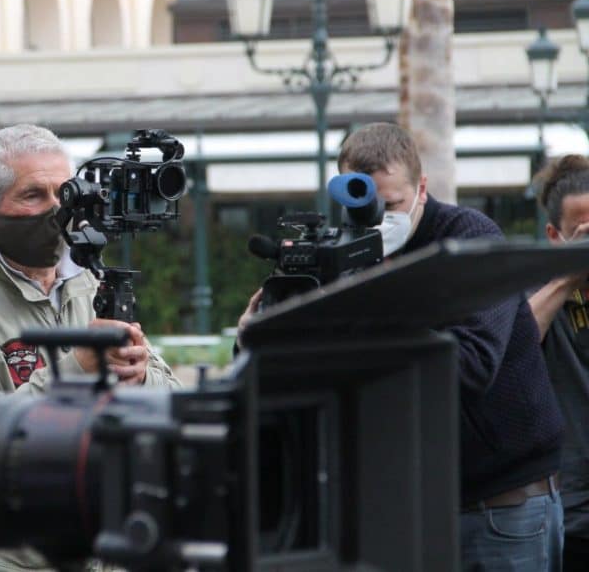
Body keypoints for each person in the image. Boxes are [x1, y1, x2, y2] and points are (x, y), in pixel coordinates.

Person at [240, 122, 564, 571]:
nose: (380, 220)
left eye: (391, 204)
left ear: (422, 189)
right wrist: (258, 337)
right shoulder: (344, 254)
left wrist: (363, 312)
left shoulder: (469, 237)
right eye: (367, 207)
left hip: (499, 508)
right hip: (404, 511)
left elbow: (469, 368)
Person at [0, 123, 180, 570]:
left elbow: (170, 403)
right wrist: (78, 367)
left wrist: (140, 374)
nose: (58, 209)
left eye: (65, 192)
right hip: (10, 559)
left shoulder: (92, 282)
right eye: (33, 195)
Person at [528, 154, 589, 570]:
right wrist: (570, 273)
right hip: (571, 513)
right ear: (555, 236)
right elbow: (513, 344)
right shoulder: (538, 291)